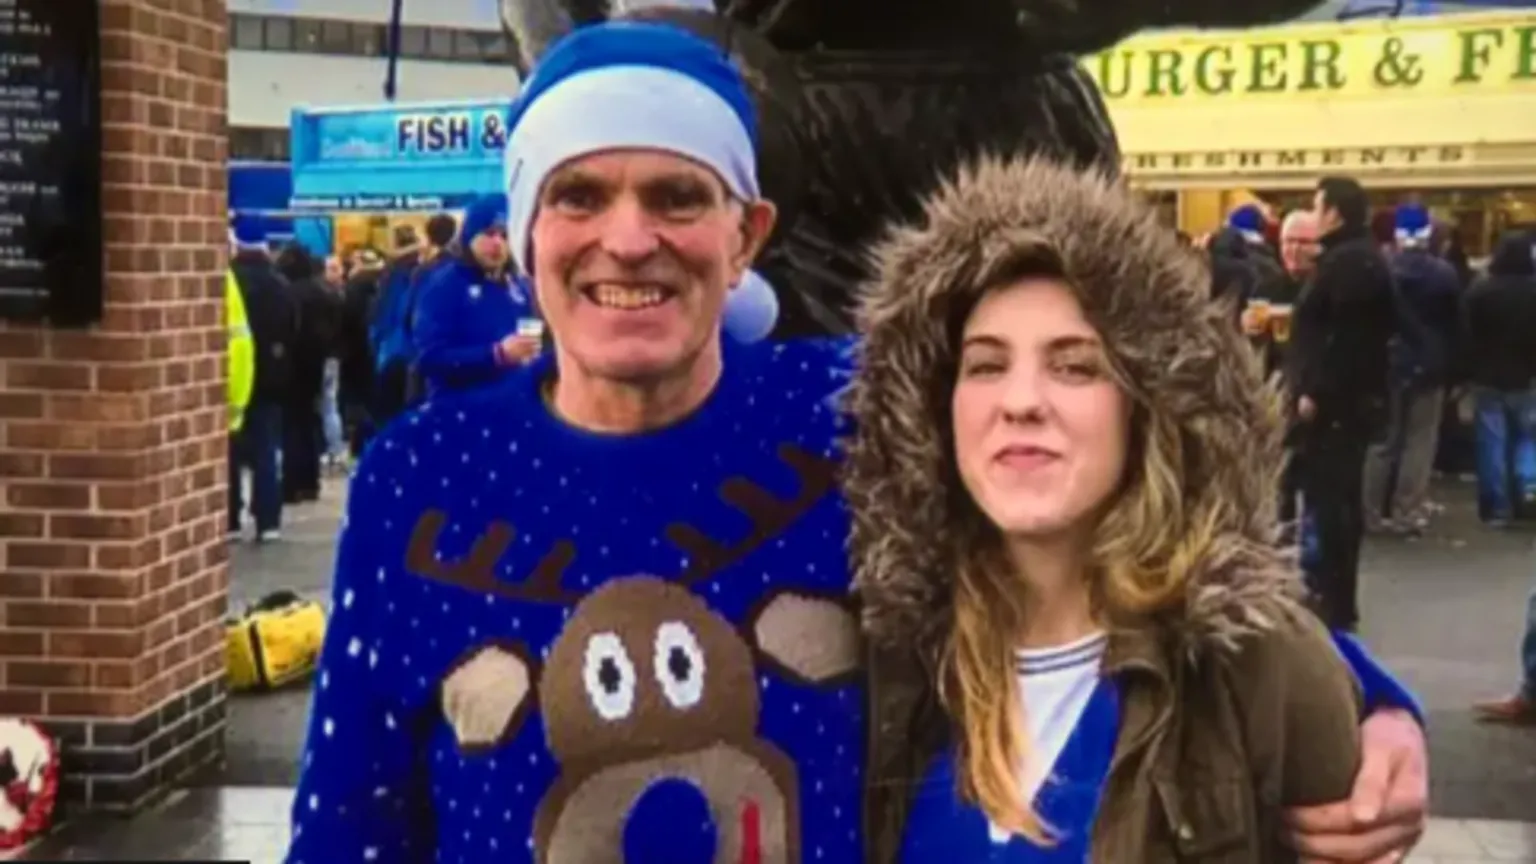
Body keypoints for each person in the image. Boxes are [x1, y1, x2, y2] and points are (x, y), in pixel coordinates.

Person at [286, 22, 1429, 864]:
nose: (627, 239)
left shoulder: (857, 413)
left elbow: (1113, 542)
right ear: (526, 231)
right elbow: (349, 823)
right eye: (578, 196)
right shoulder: (418, 476)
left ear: (749, 236)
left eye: (678, 197)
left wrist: (1359, 696)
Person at [849, 153, 1377, 862]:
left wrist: (1386, 705)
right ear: (935, 413)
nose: (1021, 401)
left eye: (1074, 365)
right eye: (985, 364)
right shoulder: (892, 653)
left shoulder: (1257, 664)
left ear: (1147, 403)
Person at [1287, 176, 1397, 632]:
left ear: (1334, 212)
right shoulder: (1350, 258)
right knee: (1330, 501)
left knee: (1333, 503)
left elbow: (1346, 339)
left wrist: (1317, 391)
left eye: (1316, 207)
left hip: (1337, 408)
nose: (1314, 217)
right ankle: (1328, 590)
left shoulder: (1350, 263)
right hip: (1345, 403)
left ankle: (1334, 597)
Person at [1362, 204, 1461, 535]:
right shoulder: (1444, 274)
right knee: (1420, 441)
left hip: (1387, 363)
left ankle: (1371, 513)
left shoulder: (1381, 269)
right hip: (1430, 364)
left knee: (1382, 441)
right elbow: (1455, 324)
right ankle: (1408, 511)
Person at [411, 194, 539, 395]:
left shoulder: (518, 286)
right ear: (470, 237)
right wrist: (496, 355)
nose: (498, 243)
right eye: (489, 233)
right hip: (460, 410)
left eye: (504, 235)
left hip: (512, 407)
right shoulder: (444, 285)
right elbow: (428, 358)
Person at [1460, 229, 1536, 526]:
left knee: (1492, 442)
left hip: (1487, 376)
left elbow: (1466, 335)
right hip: (1527, 377)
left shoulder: (1480, 292)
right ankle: (1527, 492)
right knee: (1527, 438)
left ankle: (1497, 507)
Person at [228, 220, 298, 543]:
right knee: (266, 451)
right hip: (271, 377)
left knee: (226, 451)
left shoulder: (229, 280)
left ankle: (228, 516)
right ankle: (268, 519)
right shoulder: (279, 284)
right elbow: (292, 330)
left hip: (232, 378)